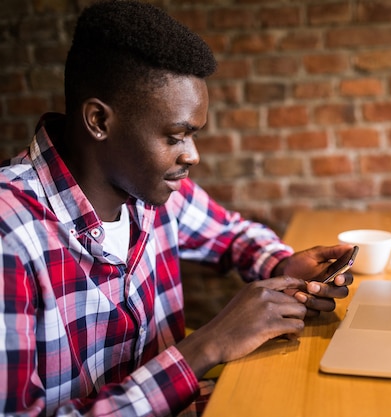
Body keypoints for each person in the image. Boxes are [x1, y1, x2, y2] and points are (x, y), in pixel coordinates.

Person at [0, 1, 354, 415]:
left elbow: (234, 236)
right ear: (98, 120)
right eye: (175, 136)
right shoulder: (11, 233)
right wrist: (208, 344)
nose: (193, 156)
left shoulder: (155, 191)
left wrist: (281, 266)